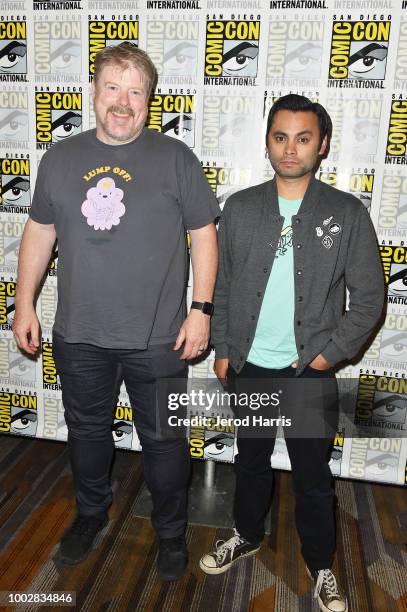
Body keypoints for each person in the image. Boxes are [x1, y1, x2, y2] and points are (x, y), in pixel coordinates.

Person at [13, 42, 220, 581]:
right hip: (79, 334)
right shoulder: (60, 158)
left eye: (135, 91)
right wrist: (23, 303)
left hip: (158, 338)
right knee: (85, 432)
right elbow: (39, 231)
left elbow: (204, 234)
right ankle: (89, 515)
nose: (122, 102)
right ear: (95, 93)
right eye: (113, 88)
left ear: (149, 100)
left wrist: (201, 310)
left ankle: (171, 532)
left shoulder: (176, 158)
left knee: (165, 440)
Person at [199, 94, 384, 612]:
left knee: (311, 475)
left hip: (309, 370)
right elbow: (227, 285)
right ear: (267, 141)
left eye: (303, 138)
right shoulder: (239, 208)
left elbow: (369, 300)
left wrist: (328, 356)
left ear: (322, 145)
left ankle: (321, 563)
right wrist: (224, 348)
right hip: (249, 365)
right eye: (280, 137)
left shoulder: (345, 213)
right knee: (251, 459)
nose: (290, 149)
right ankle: (246, 533)